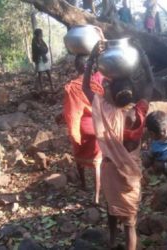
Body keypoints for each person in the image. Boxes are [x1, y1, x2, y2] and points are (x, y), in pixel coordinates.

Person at [82, 41, 153, 250]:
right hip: (131, 174)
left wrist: (92, 58)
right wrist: (141, 52)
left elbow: (86, 87)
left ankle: (112, 242)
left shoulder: (106, 110)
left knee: (111, 208)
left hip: (111, 170)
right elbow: (149, 82)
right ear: (132, 92)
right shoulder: (139, 112)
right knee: (130, 224)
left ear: (111, 94)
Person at [63, 55, 104, 204]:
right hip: (97, 127)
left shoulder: (72, 87)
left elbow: (72, 113)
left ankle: (83, 184)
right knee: (97, 163)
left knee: (79, 157)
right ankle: (97, 196)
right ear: (92, 67)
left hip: (82, 129)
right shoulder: (98, 83)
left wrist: (74, 134)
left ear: (76, 67)